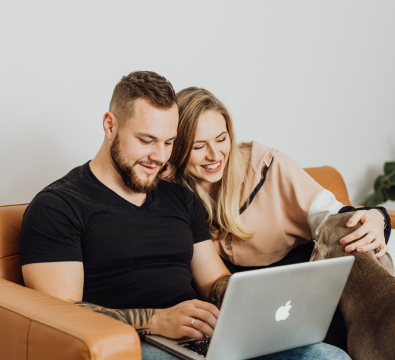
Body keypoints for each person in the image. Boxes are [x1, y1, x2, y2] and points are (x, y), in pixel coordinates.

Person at [19, 72, 350, 360]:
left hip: (202, 339)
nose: (158, 157)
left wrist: (258, 302)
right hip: (133, 343)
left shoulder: (181, 199)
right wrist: (158, 321)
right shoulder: (58, 206)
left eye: (168, 143)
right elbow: (59, 314)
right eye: (146, 140)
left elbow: (212, 281)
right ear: (110, 125)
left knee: (328, 356)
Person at [164, 87, 392, 352]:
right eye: (198, 146)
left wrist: (378, 217)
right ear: (177, 149)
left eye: (221, 138)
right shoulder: (173, 192)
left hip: (307, 298)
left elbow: (334, 217)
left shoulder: (268, 167)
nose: (215, 155)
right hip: (249, 317)